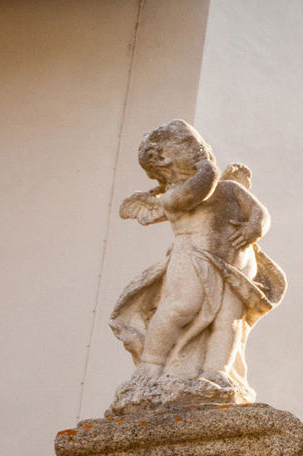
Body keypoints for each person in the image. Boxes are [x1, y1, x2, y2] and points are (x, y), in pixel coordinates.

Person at [109, 119, 283, 413]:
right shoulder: (174, 197)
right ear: (164, 158)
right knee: (179, 308)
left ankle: (217, 371)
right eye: (193, 146)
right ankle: (151, 365)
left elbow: (260, 213)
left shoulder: (229, 188)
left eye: (203, 147)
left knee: (229, 320)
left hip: (236, 267)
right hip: (192, 258)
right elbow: (196, 192)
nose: (204, 151)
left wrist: (255, 227)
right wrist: (209, 169)